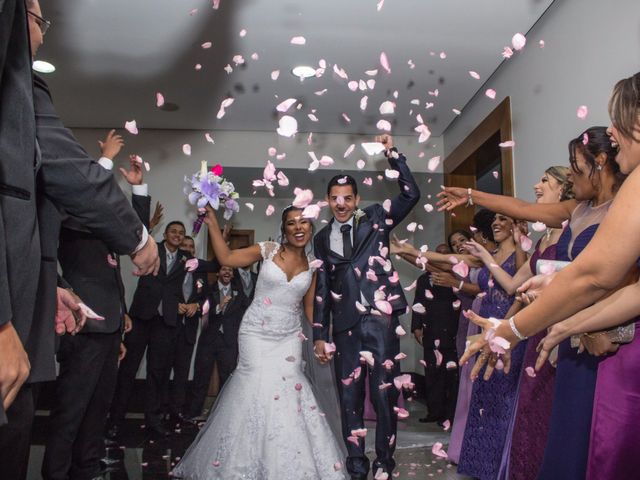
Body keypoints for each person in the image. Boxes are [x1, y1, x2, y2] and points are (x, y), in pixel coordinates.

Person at [1, 3, 159, 478]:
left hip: (101, 320)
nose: (43, 35)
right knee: (60, 414)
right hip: (67, 325)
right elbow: (68, 184)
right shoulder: (18, 91)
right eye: (36, 18)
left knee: (92, 410)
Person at [442, 127, 625, 479]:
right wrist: (469, 195)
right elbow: (522, 208)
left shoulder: (622, 211)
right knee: (563, 436)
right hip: (564, 332)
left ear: (599, 163)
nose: (571, 176)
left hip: (603, 333)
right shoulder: (577, 209)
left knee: (594, 440)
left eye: (575, 166)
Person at [172, 204, 346, 479]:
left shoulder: (313, 267)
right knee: (254, 389)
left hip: (288, 336)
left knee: (289, 390)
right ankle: (238, 465)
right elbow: (226, 256)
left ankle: (286, 464)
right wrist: (213, 223)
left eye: (303, 222)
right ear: (284, 228)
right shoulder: (267, 250)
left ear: (311, 227)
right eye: (291, 223)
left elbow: (310, 309)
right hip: (256, 333)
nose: (298, 227)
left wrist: (320, 340)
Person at [313, 134, 420, 479]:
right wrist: (319, 333)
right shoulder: (320, 238)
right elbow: (324, 287)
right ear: (328, 201)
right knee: (349, 398)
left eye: (347, 198)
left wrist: (391, 153)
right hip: (343, 328)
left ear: (357, 199)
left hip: (380, 321)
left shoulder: (376, 218)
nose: (341, 204)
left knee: (383, 394)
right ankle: (356, 465)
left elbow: (411, 194)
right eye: (335, 198)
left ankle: (383, 464)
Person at [42, 148, 151, 480]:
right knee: (71, 409)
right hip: (83, 326)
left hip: (110, 329)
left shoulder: (106, 231)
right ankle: (56, 473)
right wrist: (103, 164)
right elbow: (86, 203)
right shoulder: (69, 216)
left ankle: (85, 469)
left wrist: (138, 190)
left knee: (97, 410)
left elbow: (135, 236)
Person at [459, 166, 572, 479]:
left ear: (563, 189)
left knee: (545, 410)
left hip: (558, 324)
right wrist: (503, 330)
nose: (537, 185)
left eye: (545, 181)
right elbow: (514, 288)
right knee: (528, 410)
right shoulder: (542, 240)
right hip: (531, 326)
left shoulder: (571, 231)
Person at [108, 221, 191, 438]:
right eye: (173, 231)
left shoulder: (186, 260)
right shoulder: (152, 249)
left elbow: (209, 268)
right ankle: (114, 420)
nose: (177, 235)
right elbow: (137, 240)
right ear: (165, 234)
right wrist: (148, 226)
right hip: (141, 318)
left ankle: (153, 421)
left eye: (181, 233)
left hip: (165, 323)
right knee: (127, 370)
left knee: (157, 373)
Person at [186, 265, 249, 420]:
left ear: (233, 275)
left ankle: (223, 415)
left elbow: (248, 311)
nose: (227, 272)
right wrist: (218, 307)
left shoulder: (239, 293)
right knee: (201, 377)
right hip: (208, 340)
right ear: (217, 273)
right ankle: (193, 413)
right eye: (223, 269)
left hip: (229, 342)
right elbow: (202, 310)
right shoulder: (208, 289)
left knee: (227, 378)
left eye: (230, 270)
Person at [410, 243, 459, 427]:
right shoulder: (424, 280)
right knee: (432, 376)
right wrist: (416, 327)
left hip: (453, 332)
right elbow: (418, 303)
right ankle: (434, 411)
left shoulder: (456, 278)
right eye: (438, 255)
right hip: (431, 332)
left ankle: (449, 414)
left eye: (445, 255)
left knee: (452, 378)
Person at [165, 235, 209, 426]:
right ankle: (160, 411)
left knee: (182, 374)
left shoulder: (200, 273)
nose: (189, 249)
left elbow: (206, 298)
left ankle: (176, 413)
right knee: (162, 371)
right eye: (185, 245)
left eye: (192, 246)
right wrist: (175, 304)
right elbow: (163, 292)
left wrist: (197, 306)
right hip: (168, 327)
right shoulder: (173, 269)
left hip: (188, 331)